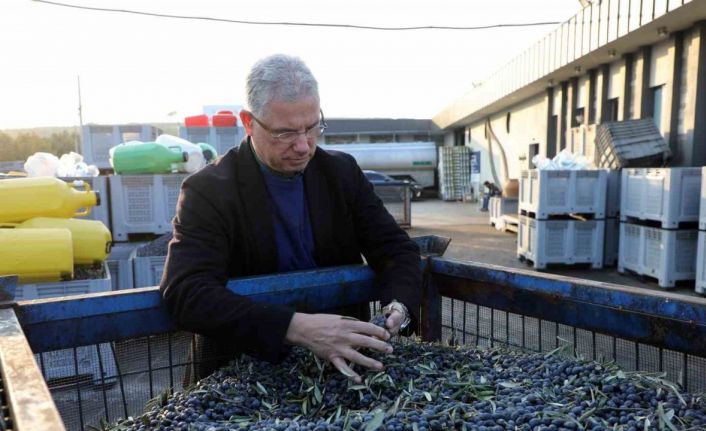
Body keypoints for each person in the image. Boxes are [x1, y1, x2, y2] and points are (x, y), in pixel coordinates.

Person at [160, 54, 422, 383]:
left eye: (312, 127)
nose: (303, 146)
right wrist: (293, 327)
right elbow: (186, 291)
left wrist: (399, 306)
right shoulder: (209, 191)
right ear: (249, 122)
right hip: (242, 373)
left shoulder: (341, 174)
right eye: (284, 134)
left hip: (341, 370)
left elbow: (396, 250)